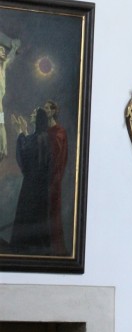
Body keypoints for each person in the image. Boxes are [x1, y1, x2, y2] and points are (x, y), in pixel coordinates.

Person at [10, 108, 51, 254]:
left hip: (34, 185)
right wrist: (23, 131)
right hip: (34, 184)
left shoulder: (42, 137)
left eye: (34, 113)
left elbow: (27, 156)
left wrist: (20, 133)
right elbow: (29, 149)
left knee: (31, 214)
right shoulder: (39, 136)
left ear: (38, 118)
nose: (31, 114)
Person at [44, 100, 68, 255]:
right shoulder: (46, 131)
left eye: (47, 108)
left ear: (53, 111)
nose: (45, 110)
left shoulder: (59, 131)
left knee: (52, 210)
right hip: (45, 177)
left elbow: (58, 156)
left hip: (54, 178)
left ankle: (55, 247)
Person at [0, 36, 20, 161]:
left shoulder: (3, 67)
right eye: (1, 50)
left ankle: (3, 149)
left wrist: (14, 47)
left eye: (3, 50)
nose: (3, 52)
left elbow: (10, 58)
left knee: (1, 123)